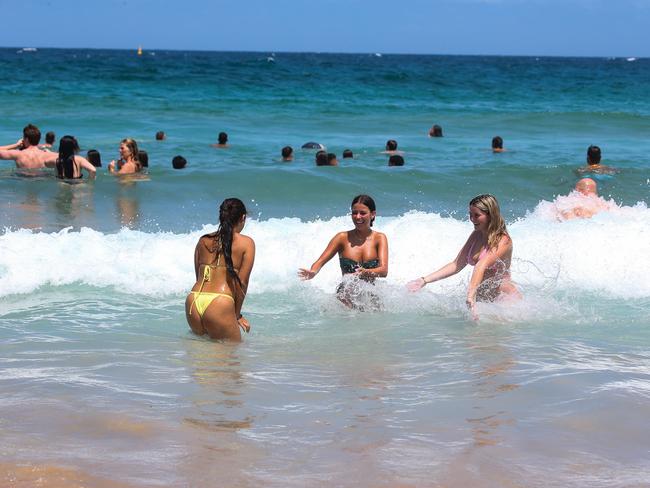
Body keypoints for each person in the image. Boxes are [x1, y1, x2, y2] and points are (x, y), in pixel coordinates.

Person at [407, 194, 519, 320]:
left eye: (477, 215)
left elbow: (481, 265)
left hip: (504, 301)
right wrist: (424, 280)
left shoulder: (504, 240)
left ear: (490, 215)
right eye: (470, 214)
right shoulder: (477, 235)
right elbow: (456, 264)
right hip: (483, 300)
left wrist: (471, 296)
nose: (472, 219)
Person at [298, 195, 388, 308]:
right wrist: (313, 271)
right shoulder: (342, 238)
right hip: (346, 298)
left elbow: (384, 271)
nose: (358, 217)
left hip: (371, 299)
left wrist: (364, 272)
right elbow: (320, 261)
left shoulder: (379, 238)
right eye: (354, 213)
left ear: (373, 214)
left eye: (362, 213)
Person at [185, 198, 255, 341]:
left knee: (201, 358)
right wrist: (236, 315)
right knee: (232, 359)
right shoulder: (246, 243)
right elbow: (242, 282)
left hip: (193, 301)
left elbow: (198, 276)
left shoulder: (203, 240)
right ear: (243, 218)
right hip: (220, 304)